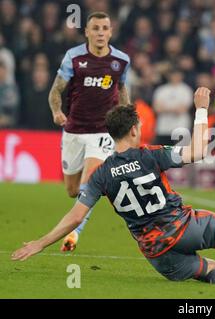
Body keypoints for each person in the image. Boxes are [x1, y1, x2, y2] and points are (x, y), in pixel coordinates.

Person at [11, 88, 215, 286]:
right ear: (131, 130)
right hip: (184, 228)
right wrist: (201, 109)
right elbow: (199, 150)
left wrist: (40, 243)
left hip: (158, 257)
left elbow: (74, 218)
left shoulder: (100, 174)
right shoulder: (149, 155)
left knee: (207, 270)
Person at [48, 11, 131, 252]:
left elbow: (123, 89)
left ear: (110, 32)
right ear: (87, 32)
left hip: (103, 132)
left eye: (105, 28)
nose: (100, 33)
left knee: (88, 184)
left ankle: (74, 234)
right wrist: (56, 111)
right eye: (95, 28)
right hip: (74, 130)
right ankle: (81, 213)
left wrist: (128, 120)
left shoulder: (121, 60)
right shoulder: (73, 57)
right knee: (72, 190)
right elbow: (56, 90)